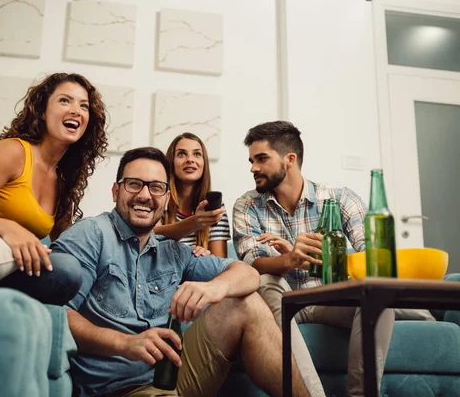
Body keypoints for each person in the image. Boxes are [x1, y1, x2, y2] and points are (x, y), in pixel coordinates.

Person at [50, 146, 310, 397]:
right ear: (115, 191)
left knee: (247, 302)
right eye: (133, 184)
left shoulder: (172, 251)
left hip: (171, 377)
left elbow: (248, 273)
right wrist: (125, 343)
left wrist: (213, 288)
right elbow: (57, 314)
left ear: (166, 199)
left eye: (156, 187)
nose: (144, 195)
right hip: (115, 389)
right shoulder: (90, 234)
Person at [232, 121, 394, 397]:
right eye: (251, 160)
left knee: (381, 302)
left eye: (261, 159)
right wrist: (290, 260)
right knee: (267, 280)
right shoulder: (247, 205)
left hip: (333, 300)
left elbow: (373, 259)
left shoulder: (339, 198)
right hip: (282, 302)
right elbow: (252, 263)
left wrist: (324, 257)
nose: (253, 168)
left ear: (289, 159)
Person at [0, 73, 108, 305]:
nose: (76, 110)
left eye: (84, 105)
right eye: (64, 100)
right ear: (42, 110)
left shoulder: (62, 181)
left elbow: (67, 243)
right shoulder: (13, 152)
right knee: (66, 270)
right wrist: (8, 228)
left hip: (6, 273)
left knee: (73, 268)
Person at [154, 133, 230, 257]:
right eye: (182, 154)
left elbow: (221, 263)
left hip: (200, 274)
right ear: (171, 162)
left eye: (197, 154)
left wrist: (206, 255)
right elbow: (153, 234)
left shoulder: (215, 207)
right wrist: (194, 222)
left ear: (203, 162)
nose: (190, 159)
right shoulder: (158, 198)